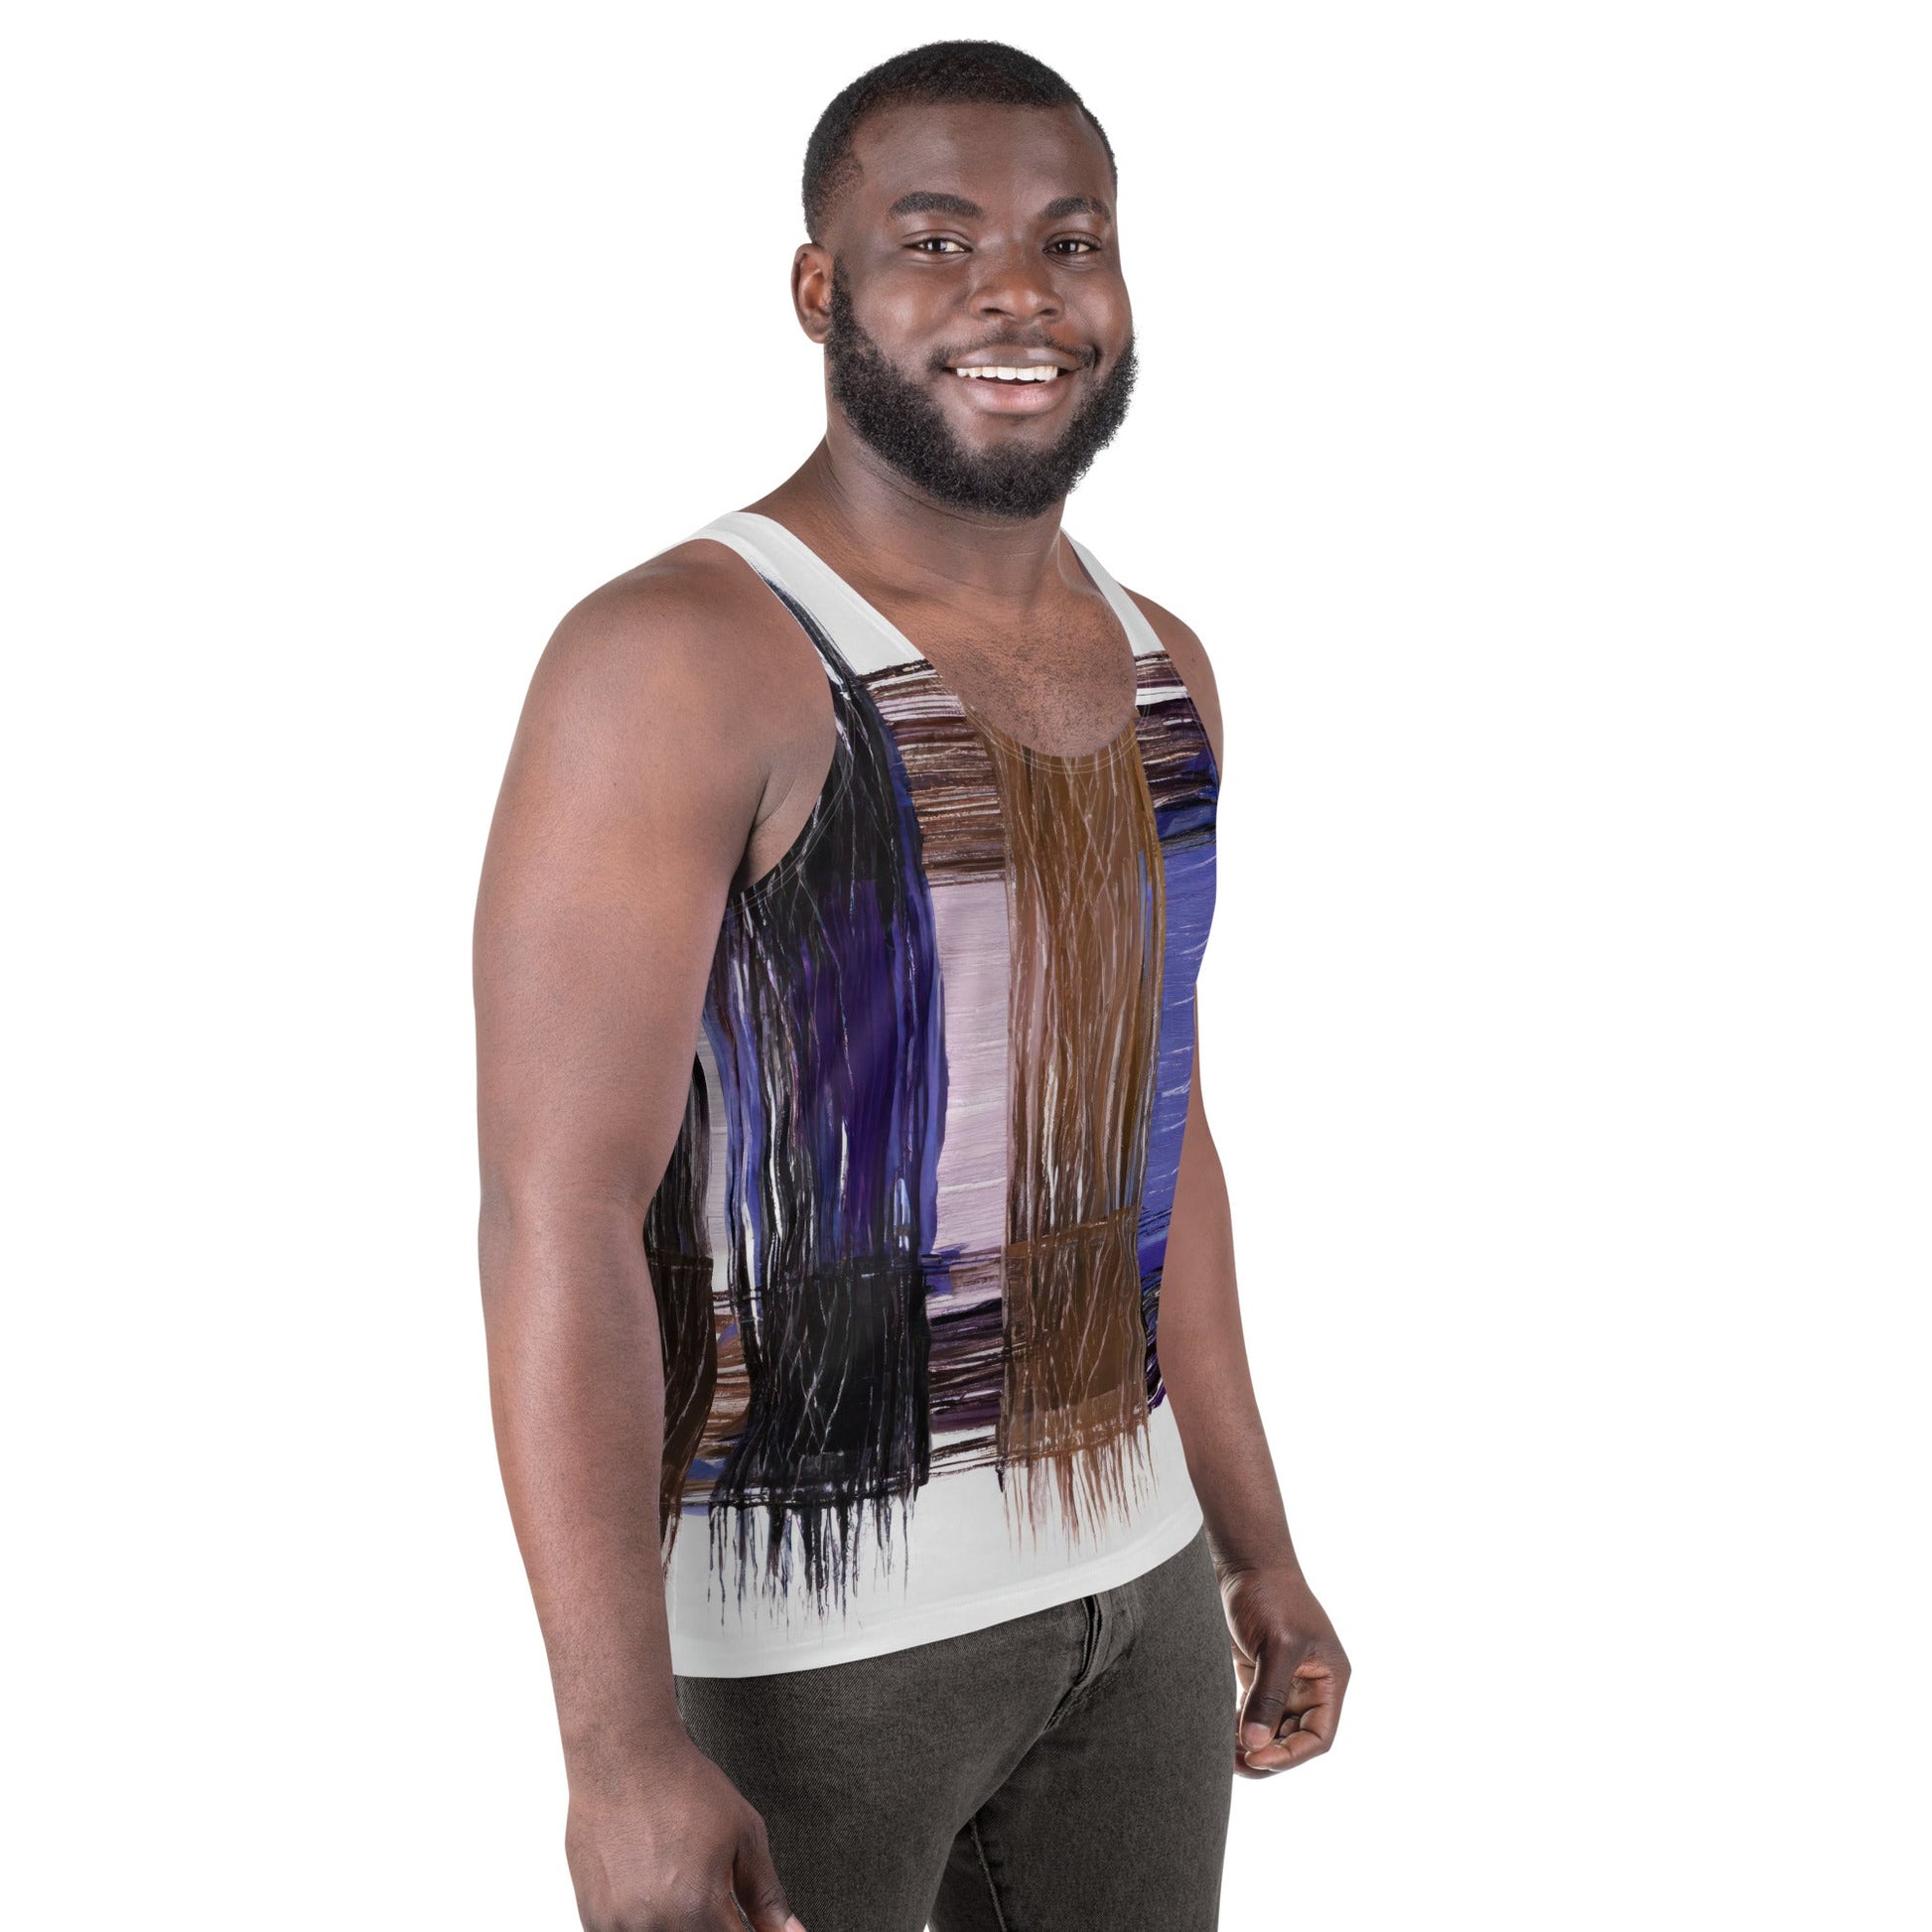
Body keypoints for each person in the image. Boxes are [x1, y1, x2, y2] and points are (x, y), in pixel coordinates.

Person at [474, 39, 1349, 1932]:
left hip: (1136, 1601)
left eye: (1069, 241)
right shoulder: (679, 656)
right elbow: (558, 1210)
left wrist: (1252, 1542)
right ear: (821, 288)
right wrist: (614, 1748)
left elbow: (1158, 1131)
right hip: (809, 1653)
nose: (1016, 294)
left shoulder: (1163, 665)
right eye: (936, 241)